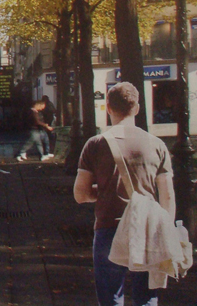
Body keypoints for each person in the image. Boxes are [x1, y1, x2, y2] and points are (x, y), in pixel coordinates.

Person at [74, 82, 175, 306]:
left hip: (108, 228)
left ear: (108, 108)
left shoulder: (95, 145)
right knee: (147, 297)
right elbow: (167, 196)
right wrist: (167, 231)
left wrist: (102, 193)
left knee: (110, 298)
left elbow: (80, 194)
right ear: (137, 108)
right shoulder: (157, 145)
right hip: (148, 229)